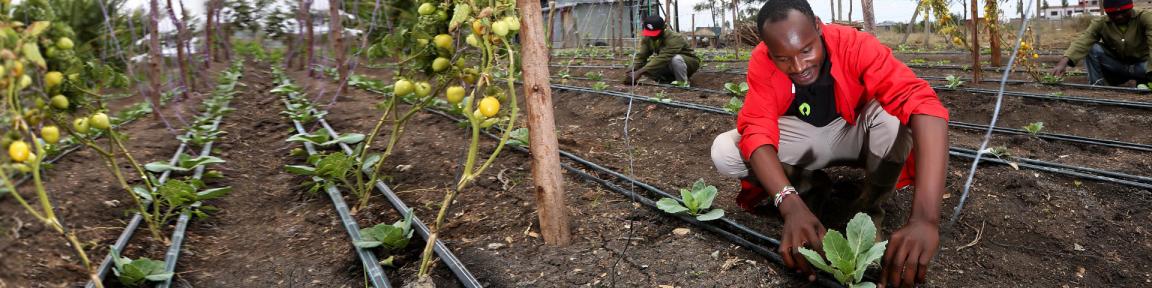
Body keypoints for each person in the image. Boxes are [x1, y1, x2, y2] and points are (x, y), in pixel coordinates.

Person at [708, 0, 949, 287]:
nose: (798, 66)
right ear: (769, 50)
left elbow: (923, 105)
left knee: (893, 118)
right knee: (725, 150)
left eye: (806, 50)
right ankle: (808, 194)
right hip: (808, 137)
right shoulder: (763, 60)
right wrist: (788, 204)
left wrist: (925, 218)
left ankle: (867, 212)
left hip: (856, 130)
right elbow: (757, 129)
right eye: (783, 58)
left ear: (819, 27)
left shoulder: (854, 45)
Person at [1052, 0, 1152, 86]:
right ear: (1107, 13)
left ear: (1131, 8)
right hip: (1117, 68)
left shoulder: (1145, 18)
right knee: (1091, 47)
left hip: (1143, 68)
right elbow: (1084, 40)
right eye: (1113, 14)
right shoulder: (1101, 22)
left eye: (1124, 12)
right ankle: (1098, 87)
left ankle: (1145, 80)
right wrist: (1064, 61)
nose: (1119, 17)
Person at [622, 15, 700, 85]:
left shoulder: (674, 38)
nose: (652, 36)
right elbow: (641, 56)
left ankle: (682, 82)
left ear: (664, 28)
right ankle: (667, 80)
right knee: (649, 65)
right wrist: (632, 69)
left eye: (654, 33)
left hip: (688, 63)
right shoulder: (647, 38)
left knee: (675, 59)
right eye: (649, 33)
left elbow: (663, 58)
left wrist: (639, 72)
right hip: (668, 63)